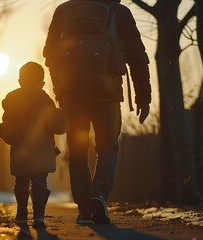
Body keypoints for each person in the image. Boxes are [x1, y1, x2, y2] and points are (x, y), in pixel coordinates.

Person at [43, 0, 151, 224]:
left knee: (77, 151)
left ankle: (84, 209)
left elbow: (50, 54)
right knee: (108, 148)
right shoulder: (119, 12)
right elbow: (137, 57)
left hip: (72, 96)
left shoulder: (64, 10)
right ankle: (99, 195)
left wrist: (59, 90)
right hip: (107, 94)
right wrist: (143, 97)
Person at [0, 61, 68, 227]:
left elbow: (7, 132)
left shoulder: (12, 101)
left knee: (21, 182)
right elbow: (57, 127)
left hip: (19, 152)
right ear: (42, 83)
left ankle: (21, 213)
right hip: (42, 152)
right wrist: (61, 115)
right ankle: (38, 216)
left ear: (19, 81)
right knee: (39, 183)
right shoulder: (45, 100)